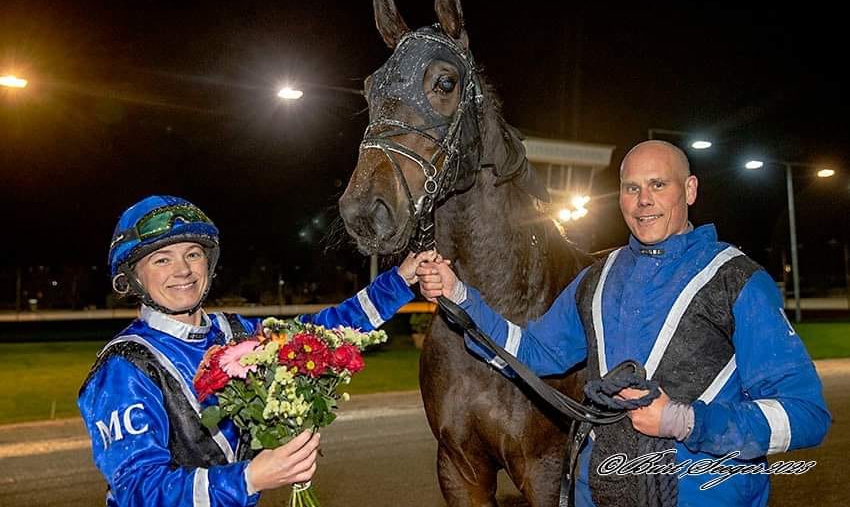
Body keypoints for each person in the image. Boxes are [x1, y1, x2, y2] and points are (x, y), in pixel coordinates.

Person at [418, 141, 831, 507]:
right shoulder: (597, 278)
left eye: (658, 185)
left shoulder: (737, 280)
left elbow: (806, 414)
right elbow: (532, 353)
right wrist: (461, 297)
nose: (643, 200)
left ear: (689, 190)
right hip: (599, 491)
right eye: (632, 188)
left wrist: (685, 421)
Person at [78, 195, 433, 507]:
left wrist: (399, 281)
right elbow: (138, 492)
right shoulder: (122, 368)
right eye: (162, 260)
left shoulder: (235, 332)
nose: (183, 270)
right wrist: (248, 479)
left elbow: (319, 335)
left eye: (193, 254)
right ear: (132, 278)